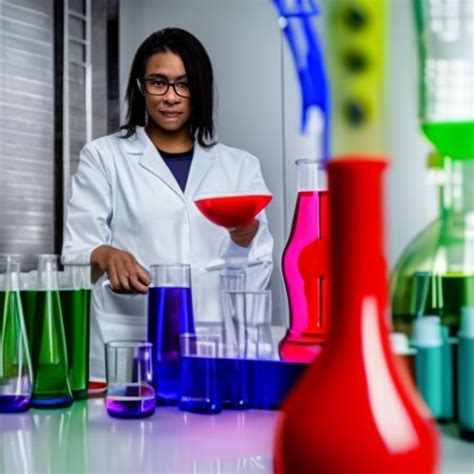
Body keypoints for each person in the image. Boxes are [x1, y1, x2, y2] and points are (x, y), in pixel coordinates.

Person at [61, 27, 273, 380]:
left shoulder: (240, 166)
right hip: (129, 345)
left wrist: (241, 241)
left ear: (199, 89)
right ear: (141, 87)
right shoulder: (103, 157)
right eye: (158, 82)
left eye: (183, 84)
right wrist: (106, 255)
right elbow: (75, 257)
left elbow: (259, 271)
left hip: (213, 346)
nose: (171, 97)